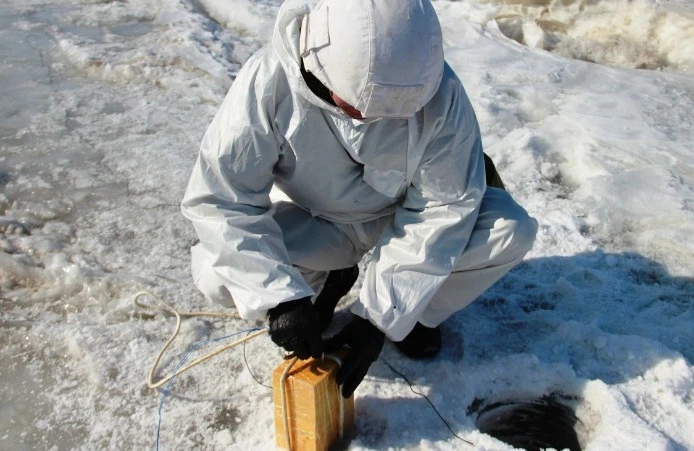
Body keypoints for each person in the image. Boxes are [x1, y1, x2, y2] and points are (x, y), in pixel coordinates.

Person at [181, 0, 538, 398]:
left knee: (510, 230)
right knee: (216, 275)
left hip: (400, 216)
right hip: (322, 221)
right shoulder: (268, 82)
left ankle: (419, 315)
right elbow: (222, 200)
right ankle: (331, 276)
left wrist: (380, 319)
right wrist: (280, 299)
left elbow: (443, 207)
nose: (373, 121)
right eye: (360, 108)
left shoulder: (442, 93)